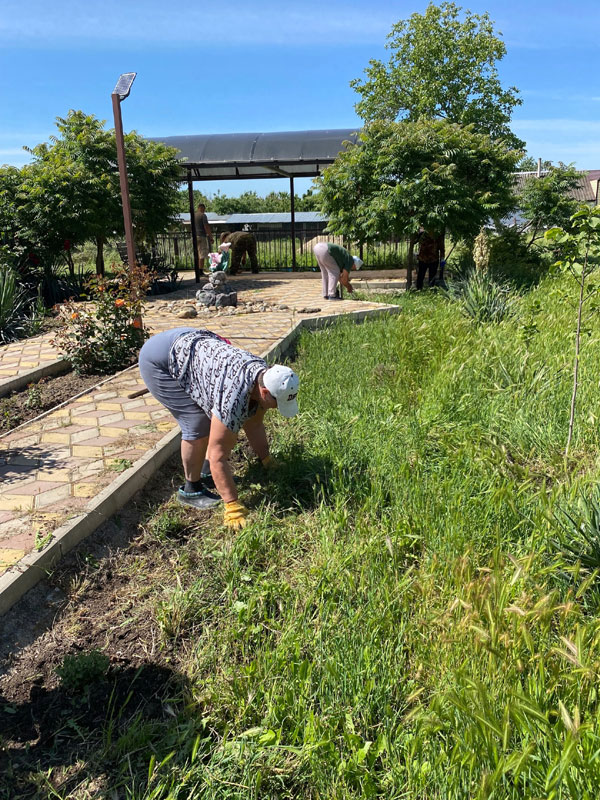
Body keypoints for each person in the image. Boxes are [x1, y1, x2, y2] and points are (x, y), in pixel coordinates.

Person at [138, 328, 299, 530]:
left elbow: (254, 423)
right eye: (278, 403)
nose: (277, 408)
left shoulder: (262, 376)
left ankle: (208, 476)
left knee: (215, 423)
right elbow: (218, 456)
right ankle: (191, 490)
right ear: (265, 392)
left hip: (193, 346)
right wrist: (233, 506)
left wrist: (267, 460)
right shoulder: (233, 396)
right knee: (198, 425)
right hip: (159, 358)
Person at [194, 203, 212, 275]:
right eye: (204, 209)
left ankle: (197, 269)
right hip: (201, 236)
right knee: (202, 253)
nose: (204, 210)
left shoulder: (193, 216)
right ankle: (200, 271)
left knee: (197, 253)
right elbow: (206, 226)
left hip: (194, 236)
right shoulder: (203, 216)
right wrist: (210, 237)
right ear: (202, 208)